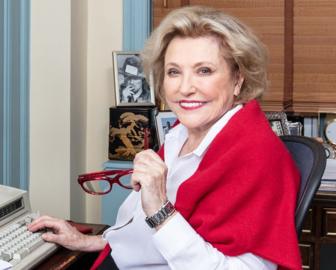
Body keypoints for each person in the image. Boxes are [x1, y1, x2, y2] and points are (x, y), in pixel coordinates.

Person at [29, 6, 301, 270]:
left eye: (204, 70)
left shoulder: (257, 156)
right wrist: (89, 241)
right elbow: (144, 234)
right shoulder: (179, 134)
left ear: (238, 79)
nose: (185, 88)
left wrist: (160, 209)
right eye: (174, 72)